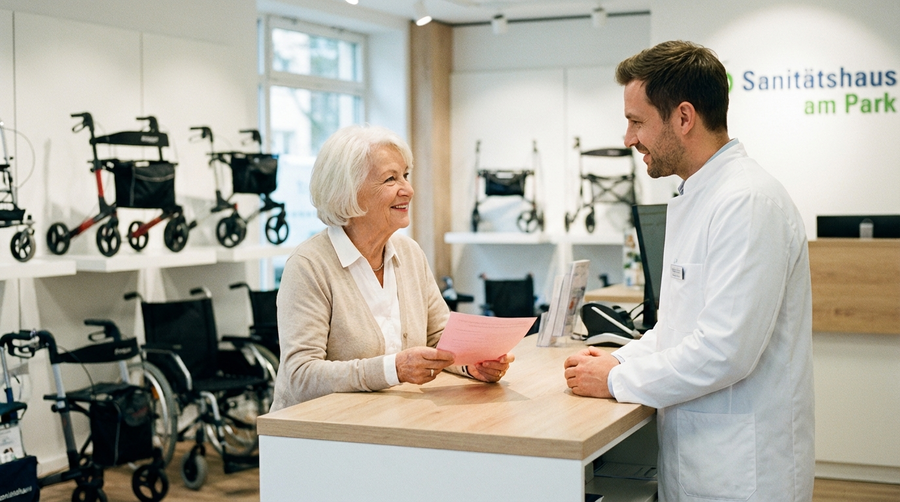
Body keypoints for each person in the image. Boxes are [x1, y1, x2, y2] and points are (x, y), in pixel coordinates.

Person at [564, 41, 814, 501]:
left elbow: (726, 350)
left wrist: (617, 380)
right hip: (701, 458)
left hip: (742, 470)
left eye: (636, 121)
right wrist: (622, 358)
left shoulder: (747, 202)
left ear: (683, 117)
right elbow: (680, 326)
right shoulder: (696, 194)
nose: (627, 138)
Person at [271, 124, 514, 411]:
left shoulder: (410, 254)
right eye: (390, 179)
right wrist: (394, 369)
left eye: (406, 176)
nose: (408, 190)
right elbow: (301, 375)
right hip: (314, 435)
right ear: (348, 191)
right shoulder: (309, 266)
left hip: (390, 422)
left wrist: (471, 365)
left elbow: (440, 338)